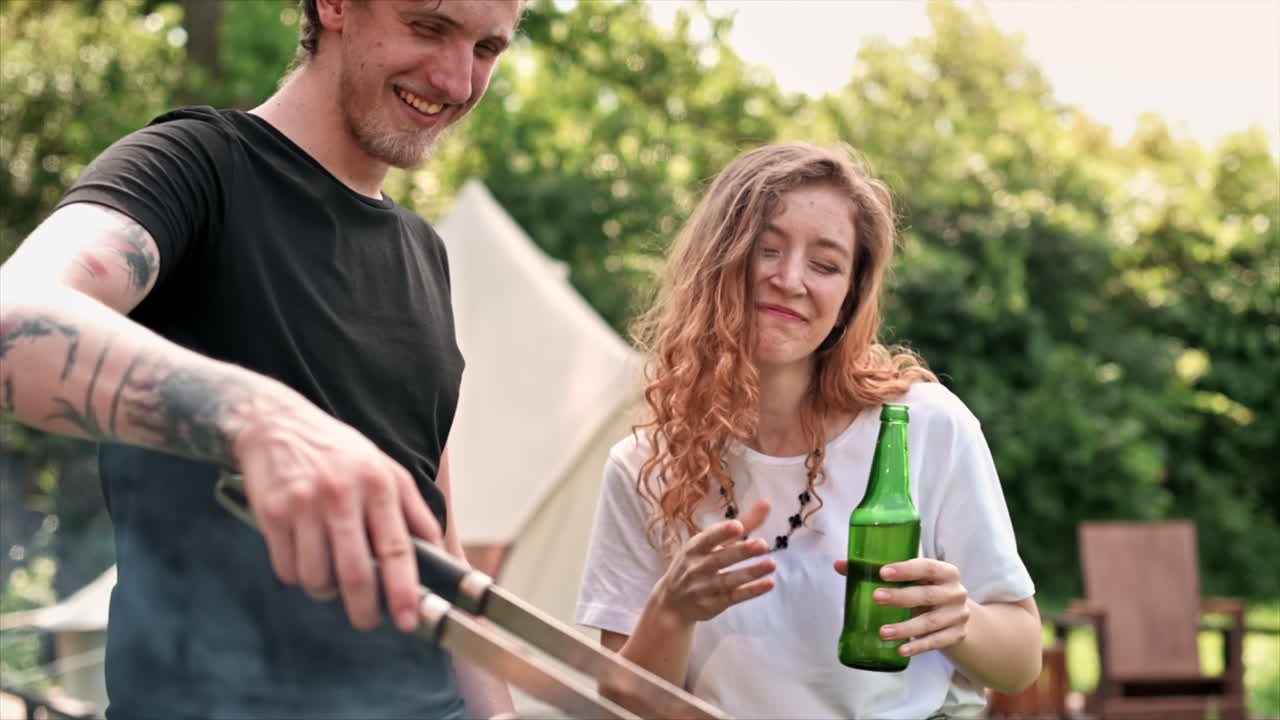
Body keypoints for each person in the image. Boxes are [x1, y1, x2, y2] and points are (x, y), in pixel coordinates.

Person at [0, 1, 524, 717]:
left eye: (487, 48)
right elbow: (13, 317)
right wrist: (253, 415)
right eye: (428, 27)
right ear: (334, 6)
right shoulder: (195, 168)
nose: (458, 80)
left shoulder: (425, 254)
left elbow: (439, 546)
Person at [575, 142, 1043, 719]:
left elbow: (1022, 662)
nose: (790, 279)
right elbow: (630, 704)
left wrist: (959, 620)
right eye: (765, 250)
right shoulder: (646, 464)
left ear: (850, 295)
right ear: (717, 262)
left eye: (825, 264)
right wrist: (672, 610)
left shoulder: (923, 426)